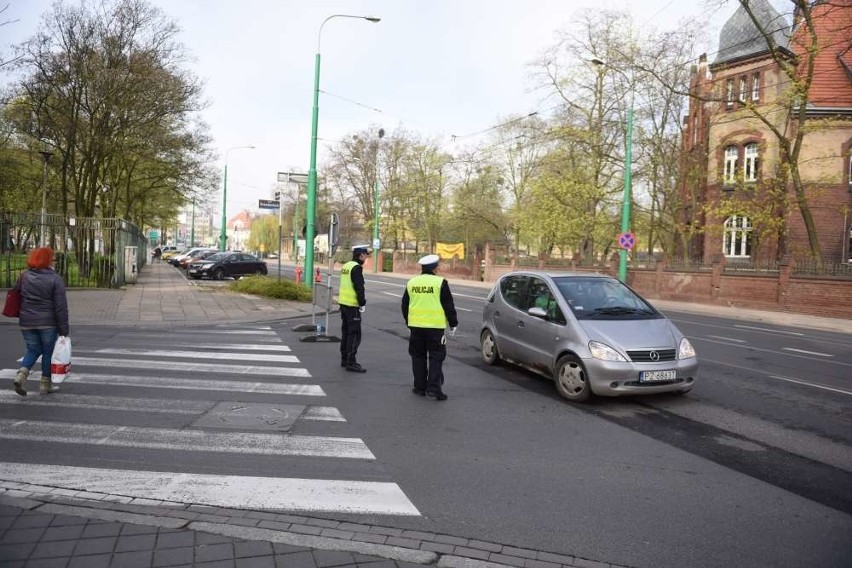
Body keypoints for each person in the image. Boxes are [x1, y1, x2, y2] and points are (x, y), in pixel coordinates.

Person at [12, 247, 70, 396]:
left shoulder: (24, 276)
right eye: (53, 259)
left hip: (26, 321)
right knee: (47, 353)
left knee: (33, 349)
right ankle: (45, 385)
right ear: (48, 261)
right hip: (47, 323)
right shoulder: (55, 279)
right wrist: (64, 330)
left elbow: (17, 295)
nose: (54, 261)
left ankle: (21, 375)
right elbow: (60, 307)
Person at [401, 254, 458, 401]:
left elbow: (404, 305)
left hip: (416, 327)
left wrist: (409, 323)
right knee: (436, 357)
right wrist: (453, 324)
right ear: (435, 267)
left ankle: (419, 388)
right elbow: (448, 305)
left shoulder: (412, 282)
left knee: (418, 357)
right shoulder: (440, 283)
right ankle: (433, 389)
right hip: (435, 328)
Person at [338, 244, 369, 373]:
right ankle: (351, 361)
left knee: (346, 332)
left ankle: (344, 359)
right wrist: (362, 303)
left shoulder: (346, 266)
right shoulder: (356, 268)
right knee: (354, 334)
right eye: (365, 255)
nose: (366, 258)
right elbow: (359, 287)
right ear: (361, 255)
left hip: (343, 304)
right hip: (352, 305)